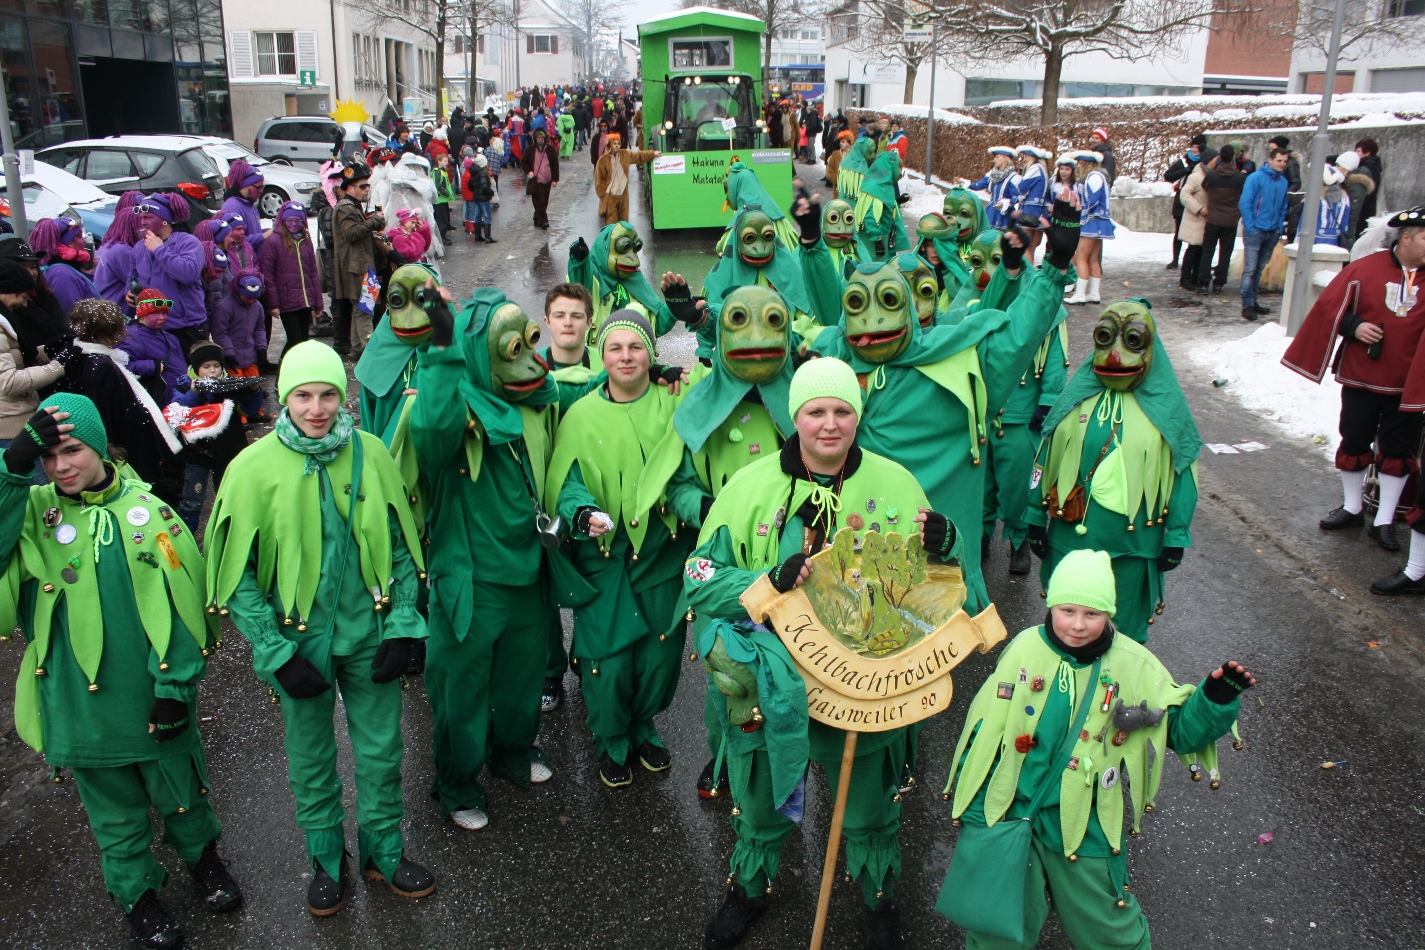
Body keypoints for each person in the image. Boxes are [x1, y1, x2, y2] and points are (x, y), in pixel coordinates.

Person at [689, 357, 962, 950]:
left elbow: (936, 587)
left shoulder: (896, 483)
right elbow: (697, 575)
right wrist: (764, 582)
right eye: (816, 411)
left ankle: (878, 899)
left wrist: (949, 543)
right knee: (761, 800)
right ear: (796, 417)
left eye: (842, 411)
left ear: (857, 417)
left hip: (863, 681)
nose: (830, 424)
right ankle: (750, 889)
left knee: (868, 806)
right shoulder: (749, 487)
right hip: (771, 681)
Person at [0, 393, 242, 948]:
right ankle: (138, 896)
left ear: (101, 447)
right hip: (79, 698)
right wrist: (11, 468)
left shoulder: (148, 510)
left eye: (72, 451)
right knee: (114, 812)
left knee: (181, 788)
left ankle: (203, 860)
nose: (60, 467)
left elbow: (183, 605)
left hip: (150, 690)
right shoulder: (32, 511)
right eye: (47, 457)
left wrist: (175, 688)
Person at [206, 340, 435, 916]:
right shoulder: (251, 468)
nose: (316, 408)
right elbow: (236, 575)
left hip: (368, 634)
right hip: (297, 643)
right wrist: (274, 650)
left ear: (343, 394)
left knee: (382, 751)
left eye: (328, 394)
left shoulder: (371, 452)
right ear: (285, 397)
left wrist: (403, 623)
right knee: (309, 758)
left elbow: (401, 544)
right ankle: (326, 859)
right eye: (303, 395)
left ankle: (384, 851)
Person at [938, 549, 1254, 950]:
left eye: (1092, 614)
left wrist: (1214, 700)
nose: (1077, 625)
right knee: (995, 930)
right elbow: (986, 730)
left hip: (1083, 819)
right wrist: (976, 812)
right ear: (1051, 605)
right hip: (1010, 809)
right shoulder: (1024, 647)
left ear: (1109, 614)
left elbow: (1178, 732)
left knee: (1110, 929)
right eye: (1067, 610)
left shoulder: (1134, 663)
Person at [810, 208, 1079, 628]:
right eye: (859, 303)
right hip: (855, 563)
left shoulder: (958, 366)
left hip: (938, 558)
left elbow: (1016, 339)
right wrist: (811, 246)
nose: (873, 321)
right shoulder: (833, 364)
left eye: (889, 301)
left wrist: (1053, 270)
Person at [408, 287, 570, 831]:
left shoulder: (533, 402)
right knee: (462, 691)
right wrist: (442, 349)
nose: (529, 361)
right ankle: (456, 782)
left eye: (527, 342)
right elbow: (432, 430)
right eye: (509, 350)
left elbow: (577, 385)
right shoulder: (455, 410)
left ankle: (513, 753)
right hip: (473, 579)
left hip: (528, 572)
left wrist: (653, 373)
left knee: (520, 683)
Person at [546, 311, 691, 787]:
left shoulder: (675, 402)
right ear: (601, 354)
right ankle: (610, 738)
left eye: (636, 347)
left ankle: (643, 725)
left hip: (661, 555)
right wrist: (582, 511)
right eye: (615, 348)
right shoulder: (580, 414)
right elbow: (567, 481)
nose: (626, 357)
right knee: (606, 663)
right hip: (603, 559)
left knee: (658, 658)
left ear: (651, 353)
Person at [1027, 299, 1200, 643]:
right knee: (1069, 631)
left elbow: (1183, 471)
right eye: (1106, 338)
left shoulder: (1168, 411)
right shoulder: (1074, 400)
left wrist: (1177, 535)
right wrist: (1033, 515)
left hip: (1133, 548)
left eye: (1132, 340)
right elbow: (1045, 457)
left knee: (1125, 636)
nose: (1116, 356)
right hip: (1071, 541)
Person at [1283, 207, 1425, 558]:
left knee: (1398, 450)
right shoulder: (1365, 269)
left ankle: (1384, 520)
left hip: (1409, 385)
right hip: (1361, 375)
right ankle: (1352, 508)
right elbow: (1331, 308)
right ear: (1406, 238)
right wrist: (1355, 326)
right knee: (1355, 439)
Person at [58, 299, 182, 487]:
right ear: (112, 330)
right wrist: (109, 452)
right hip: (123, 450)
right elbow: (100, 415)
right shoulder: (99, 366)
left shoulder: (79, 355)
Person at [163, 339, 257, 534]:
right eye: (206, 367)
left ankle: (231, 534)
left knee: (229, 495)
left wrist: (255, 390)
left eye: (216, 365)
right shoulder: (184, 386)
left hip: (228, 450)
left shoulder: (231, 385)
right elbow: (179, 411)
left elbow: (249, 409)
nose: (212, 371)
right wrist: (195, 391)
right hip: (197, 453)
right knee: (192, 500)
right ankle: (186, 539)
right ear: (196, 368)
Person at [131, 193, 208, 356]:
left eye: (148, 217)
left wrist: (159, 249)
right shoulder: (139, 247)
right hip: (151, 329)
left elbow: (189, 274)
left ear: (165, 219)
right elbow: (133, 278)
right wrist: (130, 293)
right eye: (141, 217)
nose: (143, 222)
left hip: (186, 328)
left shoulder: (188, 242)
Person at [0, 262, 64, 447]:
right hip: (9, 431)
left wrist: (47, 351)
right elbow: (8, 382)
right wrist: (56, 367)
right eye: (24, 296)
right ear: (11, 290)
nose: (24, 304)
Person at [330, 162, 386, 359]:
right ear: (350, 188)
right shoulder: (345, 208)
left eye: (367, 185)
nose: (367, 189)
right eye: (363, 186)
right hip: (357, 269)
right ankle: (371, 354)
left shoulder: (353, 207)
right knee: (365, 312)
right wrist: (374, 221)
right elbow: (351, 233)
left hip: (363, 268)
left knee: (360, 311)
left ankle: (357, 351)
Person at [258, 201, 324, 361]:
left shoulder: (305, 240)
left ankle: (298, 370)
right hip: (287, 301)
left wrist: (318, 302)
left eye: (298, 221)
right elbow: (268, 275)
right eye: (290, 220)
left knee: (303, 341)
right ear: (283, 220)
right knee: (294, 340)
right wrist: (273, 303)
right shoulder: (273, 241)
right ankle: (283, 370)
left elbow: (312, 272)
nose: (294, 224)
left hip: (304, 300)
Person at [1237, 146, 1289, 321]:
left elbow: (1283, 206)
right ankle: (1247, 304)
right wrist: (1251, 227)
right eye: (1279, 160)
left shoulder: (1283, 181)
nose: (1282, 164)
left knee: (1259, 269)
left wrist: (1278, 227)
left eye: (1284, 161)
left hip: (1272, 231)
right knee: (1250, 269)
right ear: (1270, 160)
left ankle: (1253, 301)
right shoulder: (1256, 178)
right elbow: (1245, 203)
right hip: (1256, 230)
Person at [118, 288, 189, 406]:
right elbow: (121, 366)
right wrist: (151, 366)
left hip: (180, 396)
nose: (161, 317)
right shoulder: (133, 337)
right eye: (155, 313)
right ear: (141, 315)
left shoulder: (171, 338)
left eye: (164, 313)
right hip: (162, 400)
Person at [211, 272, 269, 397]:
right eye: (248, 298)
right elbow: (220, 333)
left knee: (254, 389)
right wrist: (228, 352)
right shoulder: (224, 307)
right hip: (233, 359)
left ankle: (255, 407)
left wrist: (261, 347)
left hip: (251, 358)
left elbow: (259, 329)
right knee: (237, 393)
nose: (251, 301)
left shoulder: (257, 306)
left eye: (255, 298)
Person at [1065, 151, 1112, 305]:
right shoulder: (1097, 176)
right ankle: (1093, 293)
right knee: (1092, 258)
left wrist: (1081, 211)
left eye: (1079, 163)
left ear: (1086, 163)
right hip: (1098, 221)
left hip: (1091, 221)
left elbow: (1092, 200)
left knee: (1081, 257)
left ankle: (1080, 294)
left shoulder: (1094, 176)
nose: (1077, 166)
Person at [1196, 145, 1244, 296]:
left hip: (1213, 218)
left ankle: (1203, 282)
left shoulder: (1212, 176)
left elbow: (1205, 187)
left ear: (1220, 158)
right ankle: (1219, 282)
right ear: (1233, 158)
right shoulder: (1240, 178)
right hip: (1231, 220)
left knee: (1208, 251)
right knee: (1225, 252)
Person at [93, 193, 143, 317]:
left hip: (104, 309)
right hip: (116, 314)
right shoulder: (123, 251)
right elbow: (140, 283)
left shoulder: (107, 244)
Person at [594, 133, 659, 227]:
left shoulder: (625, 154)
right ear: (609, 145)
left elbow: (639, 156)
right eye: (614, 144)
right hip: (610, 196)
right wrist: (603, 196)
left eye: (618, 143)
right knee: (610, 224)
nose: (617, 146)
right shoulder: (603, 160)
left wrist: (652, 154)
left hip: (623, 195)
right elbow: (599, 180)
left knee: (624, 223)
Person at [1163, 133, 1206, 270]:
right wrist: (1185, 170)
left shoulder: (1206, 163)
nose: (1194, 149)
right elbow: (1168, 175)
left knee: (1196, 234)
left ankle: (1193, 260)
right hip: (1181, 202)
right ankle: (1175, 259)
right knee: (1179, 232)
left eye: (1197, 147)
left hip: (1198, 203)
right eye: (1193, 146)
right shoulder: (1184, 161)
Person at [1176, 153, 1209, 293]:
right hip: (1195, 218)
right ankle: (1185, 278)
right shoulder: (1195, 177)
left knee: (1201, 250)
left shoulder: (1211, 176)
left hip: (1205, 219)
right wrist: (1199, 208)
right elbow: (1184, 195)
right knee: (1193, 249)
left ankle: (1196, 277)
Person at [968, 146, 1021, 230]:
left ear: (1005, 159)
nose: (994, 159)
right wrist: (964, 182)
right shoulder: (992, 174)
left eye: (997, 157)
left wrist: (1004, 203)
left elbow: (1017, 197)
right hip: (991, 212)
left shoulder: (1014, 177)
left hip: (1005, 215)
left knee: (1002, 237)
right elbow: (978, 186)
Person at [220, 159, 265, 253]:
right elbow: (235, 243)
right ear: (245, 186)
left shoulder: (249, 204)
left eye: (262, 187)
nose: (261, 191)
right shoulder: (233, 207)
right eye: (258, 187)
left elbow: (253, 233)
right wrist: (264, 236)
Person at [521, 128, 559, 230]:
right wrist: (529, 171)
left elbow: (555, 164)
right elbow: (523, 162)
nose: (540, 139)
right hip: (536, 180)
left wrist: (555, 179)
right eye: (538, 138)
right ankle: (544, 220)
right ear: (535, 139)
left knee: (545, 201)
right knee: (539, 201)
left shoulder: (550, 149)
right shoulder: (530, 150)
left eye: (541, 137)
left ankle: (537, 217)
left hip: (547, 179)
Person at [1269, 134, 1304, 243]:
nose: (1270, 151)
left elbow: (1296, 182)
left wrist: (1285, 194)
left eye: (1273, 149)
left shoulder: (1291, 163)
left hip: (1282, 200)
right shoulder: (1270, 163)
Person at [1337, 150, 1375, 245]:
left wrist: (1346, 236)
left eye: (1339, 165)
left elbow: (1353, 213)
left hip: (1346, 231)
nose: (1336, 168)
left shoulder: (1356, 185)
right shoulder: (1344, 182)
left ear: (1346, 168)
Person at [464, 153, 497, 244]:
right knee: (487, 216)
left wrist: (476, 190)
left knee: (478, 215)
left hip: (476, 197)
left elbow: (470, 186)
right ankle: (488, 237)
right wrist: (491, 192)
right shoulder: (482, 173)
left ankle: (478, 235)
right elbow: (484, 187)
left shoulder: (473, 172)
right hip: (483, 198)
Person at [1316, 166, 1352, 247]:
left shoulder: (1316, 196)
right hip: (1335, 240)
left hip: (1315, 239)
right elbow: (1345, 221)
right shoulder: (1344, 198)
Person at [430, 151, 458, 242]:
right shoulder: (439, 172)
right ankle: (441, 237)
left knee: (445, 216)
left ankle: (445, 230)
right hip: (440, 199)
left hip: (442, 199)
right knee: (441, 219)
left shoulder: (441, 171)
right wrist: (447, 193)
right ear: (439, 161)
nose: (447, 163)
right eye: (445, 161)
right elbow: (438, 186)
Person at [1354, 138, 1382, 225]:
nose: (1355, 153)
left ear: (1367, 153)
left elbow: (1365, 193)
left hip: (1362, 213)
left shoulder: (1369, 169)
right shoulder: (1371, 166)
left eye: (1358, 151)